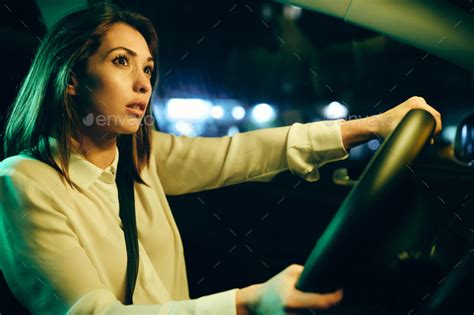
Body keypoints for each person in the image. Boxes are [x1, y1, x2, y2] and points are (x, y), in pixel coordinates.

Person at [0, 3, 442, 315]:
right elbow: (93, 314)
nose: (142, 83)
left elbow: (243, 152)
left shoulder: (139, 161)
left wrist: (370, 126)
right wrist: (248, 303)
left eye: (149, 69)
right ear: (71, 78)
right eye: (122, 62)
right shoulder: (21, 182)